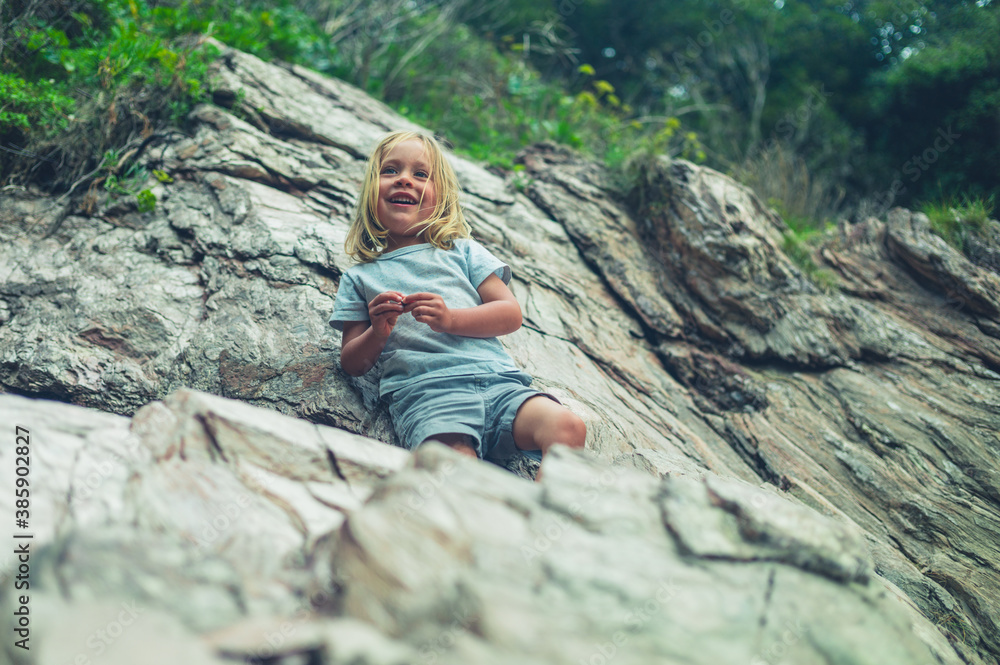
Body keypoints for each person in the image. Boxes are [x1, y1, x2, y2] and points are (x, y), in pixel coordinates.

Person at [329, 130, 586, 472]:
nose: (404, 180)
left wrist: (451, 319)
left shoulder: (462, 250)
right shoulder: (359, 277)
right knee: (454, 464)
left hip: (497, 381)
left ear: (442, 197)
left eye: (421, 174)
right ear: (370, 192)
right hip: (428, 393)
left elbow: (510, 314)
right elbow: (352, 363)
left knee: (568, 427)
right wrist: (377, 332)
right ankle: (474, 522)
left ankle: (543, 520)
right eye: (390, 171)